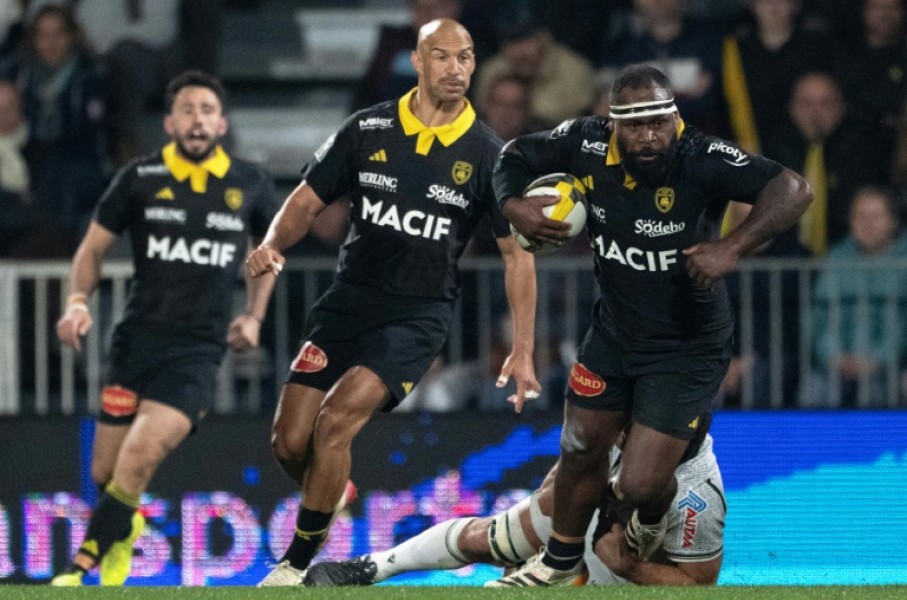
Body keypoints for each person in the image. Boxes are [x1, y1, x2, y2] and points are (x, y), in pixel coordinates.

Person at [487, 63, 812, 586]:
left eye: (658, 122)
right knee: (577, 446)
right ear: (612, 124)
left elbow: (794, 189)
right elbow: (513, 154)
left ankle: (650, 516)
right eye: (634, 125)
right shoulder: (583, 143)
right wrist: (511, 204)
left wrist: (732, 247)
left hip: (688, 347)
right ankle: (558, 563)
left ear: (674, 116)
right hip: (615, 333)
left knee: (639, 484)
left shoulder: (702, 156)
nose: (649, 135)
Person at [246, 18, 540, 586]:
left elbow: (517, 257)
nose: (455, 69)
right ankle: (333, 492)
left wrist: (521, 349)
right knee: (288, 442)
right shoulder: (368, 127)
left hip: (416, 317)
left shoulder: (487, 155)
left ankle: (296, 566)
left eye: (466, 57)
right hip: (346, 303)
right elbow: (306, 201)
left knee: (335, 422)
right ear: (418, 61)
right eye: (442, 56)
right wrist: (271, 245)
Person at [49, 70, 279, 586]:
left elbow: (269, 255)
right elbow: (91, 249)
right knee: (106, 475)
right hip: (135, 343)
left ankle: (79, 568)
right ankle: (121, 532)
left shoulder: (249, 182)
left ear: (221, 124)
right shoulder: (139, 178)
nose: (197, 120)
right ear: (171, 122)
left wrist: (254, 315)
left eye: (206, 111)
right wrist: (77, 302)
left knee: (141, 454)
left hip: (197, 351)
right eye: (187, 111)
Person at [302, 417, 725, 586]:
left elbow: (698, 584)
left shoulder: (699, 494)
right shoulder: (626, 418)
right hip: (586, 517)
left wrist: (628, 565)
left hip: (624, 569)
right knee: (482, 538)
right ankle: (373, 567)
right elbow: (573, 461)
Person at [764, 70, 893, 256]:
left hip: (846, 257)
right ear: (791, 108)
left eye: (825, 104)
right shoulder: (774, 152)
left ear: (841, 108)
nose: (815, 113)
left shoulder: (861, 152)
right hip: (786, 260)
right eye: (806, 104)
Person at [802, 185, 907, 407]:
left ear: (893, 221)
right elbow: (821, 317)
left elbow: (902, 325)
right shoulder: (836, 258)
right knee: (813, 389)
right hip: (837, 363)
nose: (867, 224)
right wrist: (835, 357)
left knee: (877, 392)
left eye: (875, 216)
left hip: (891, 364)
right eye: (861, 216)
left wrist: (877, 360)